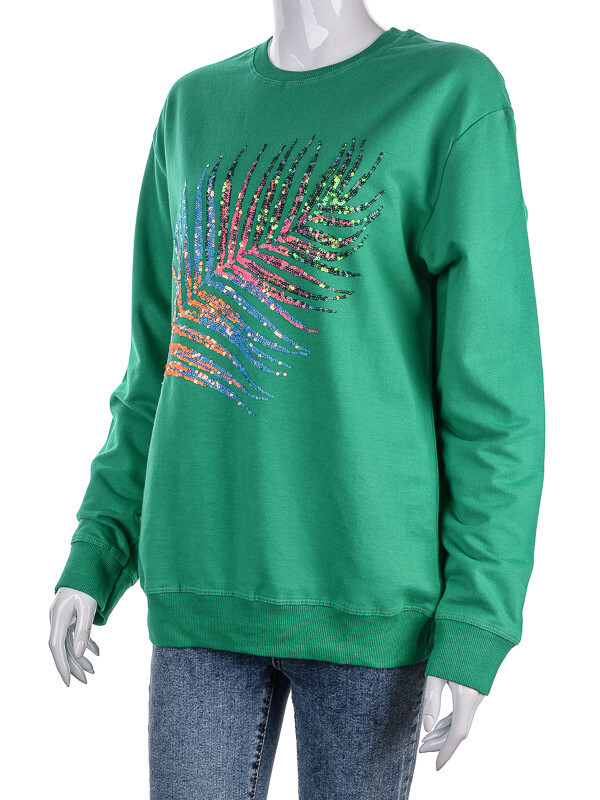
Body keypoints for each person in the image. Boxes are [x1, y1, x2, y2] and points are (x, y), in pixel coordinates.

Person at [49, 2, 545, 796]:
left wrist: (476, 620)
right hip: (201, 589)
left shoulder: (449, 93)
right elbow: (156, 365)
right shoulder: (192, 106)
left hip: (372, 602)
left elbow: (494, 392)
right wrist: (97, 549)